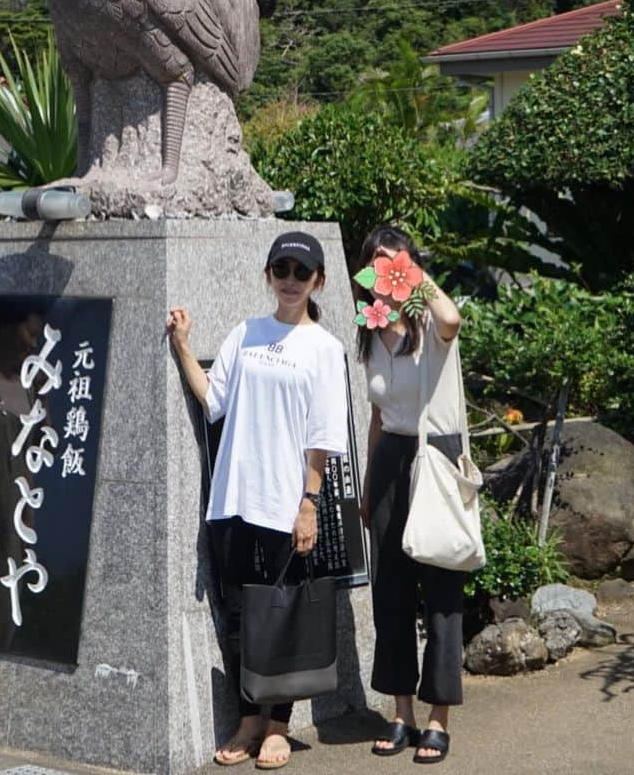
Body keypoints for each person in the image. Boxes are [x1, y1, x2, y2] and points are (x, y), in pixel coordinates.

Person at [168, 231, 348, 771]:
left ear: (318, 280)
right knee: (243, 613)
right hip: (233, 498)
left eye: (301, 271)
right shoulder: (246, 332)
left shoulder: (324, 348)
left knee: (285, 612)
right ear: (268, 275)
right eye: (281, 269)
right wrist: (181, 345)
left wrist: (308, 503)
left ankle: (277, 726)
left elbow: (323, 436)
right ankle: (249, 715)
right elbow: (214, 399)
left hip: (285, 501)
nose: (290, 280)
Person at [356, 226, 465, 765]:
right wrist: (369, 486)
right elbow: (377, 416)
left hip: (437, 459)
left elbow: (452, 318)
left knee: (442, 592)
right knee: (391, 596)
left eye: (392, 259)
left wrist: (413, 279)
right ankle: (402, 712)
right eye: (374, 261)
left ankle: (439, 719)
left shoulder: (430, 319)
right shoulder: (371, 330)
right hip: (392, 461)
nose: (383, 269)